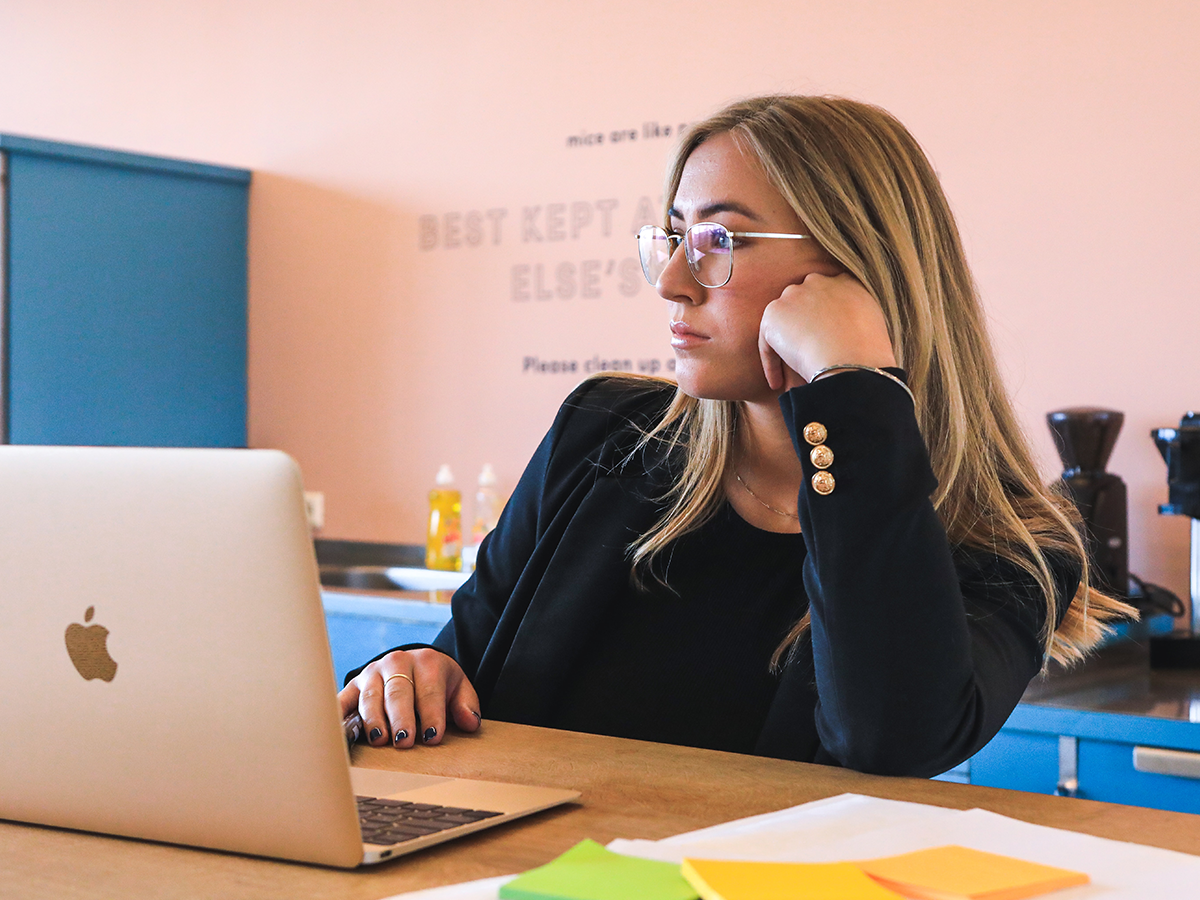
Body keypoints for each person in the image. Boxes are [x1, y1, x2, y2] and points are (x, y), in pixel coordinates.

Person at [339, 95, 1133, 776]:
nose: (673, 280)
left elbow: (892, 740)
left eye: (721, 240)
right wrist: (416, 674)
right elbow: (461, 663)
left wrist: (853, 388)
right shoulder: (603, 434)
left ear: (856, 269)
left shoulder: (1009, 544)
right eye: (674, 235)